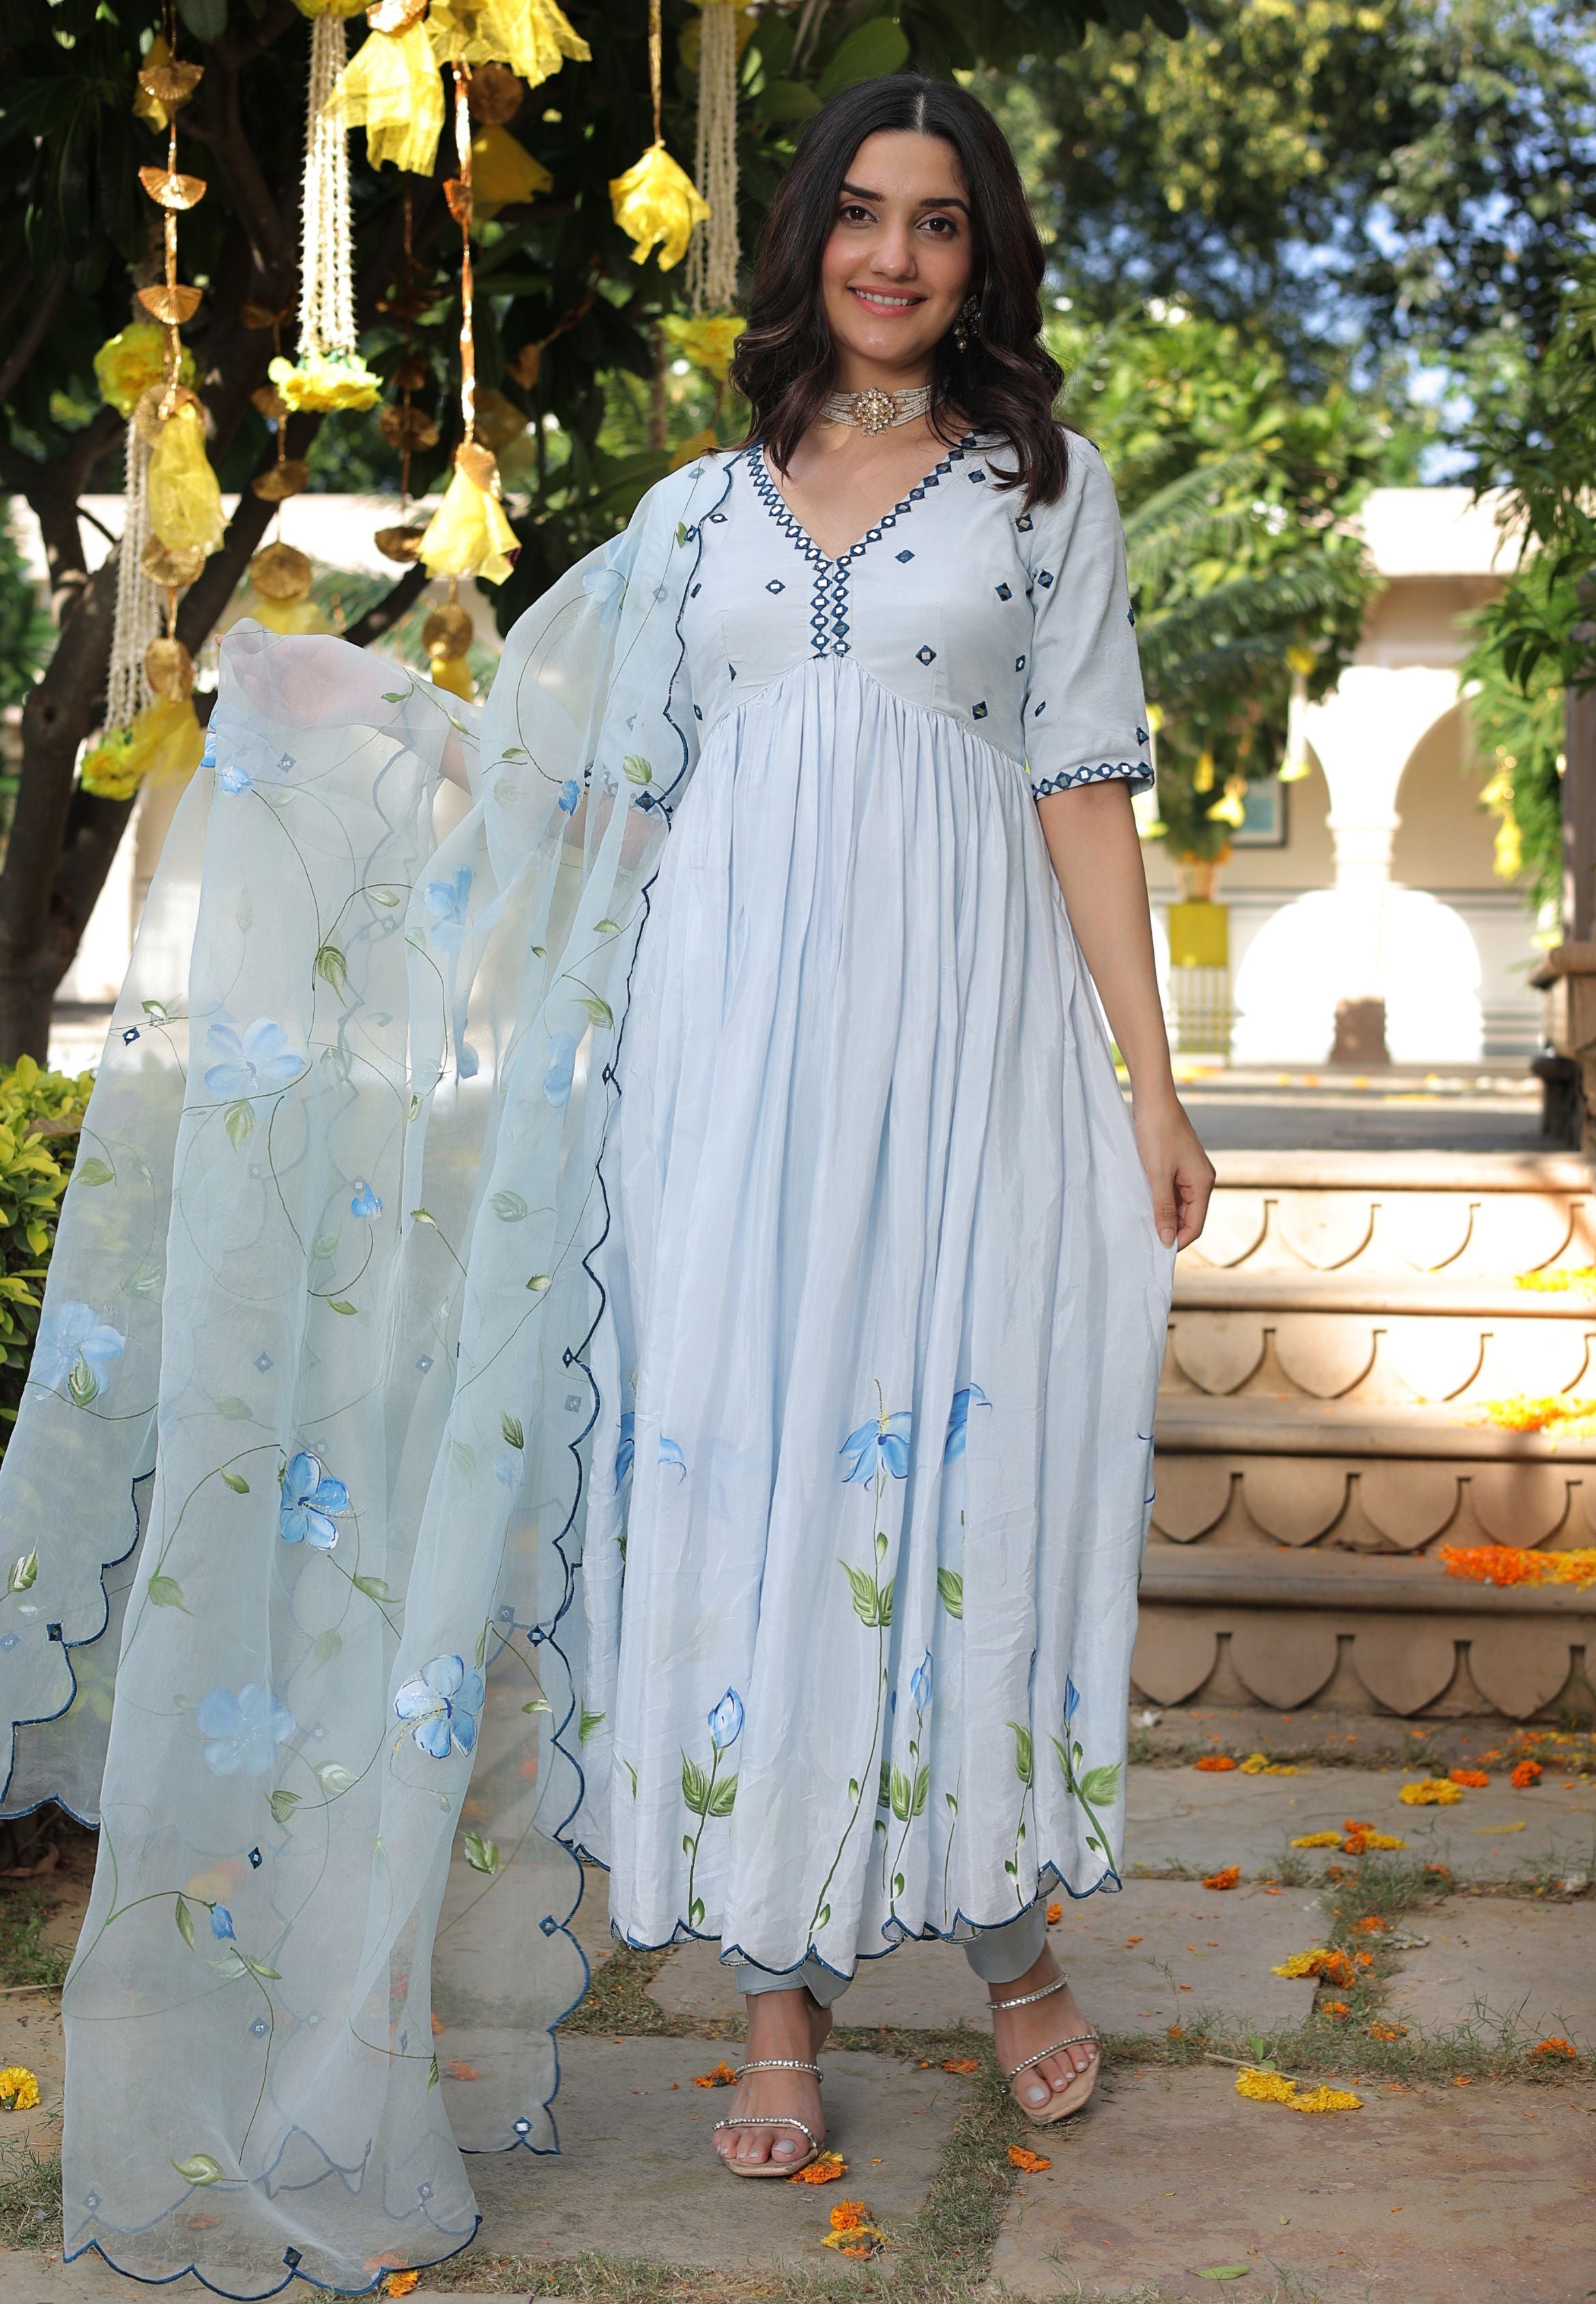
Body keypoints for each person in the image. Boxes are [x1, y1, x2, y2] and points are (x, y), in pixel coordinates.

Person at [0, 70, 1210, 2290]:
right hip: (712, 1087)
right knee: (732, 1490)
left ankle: (1008, 1937)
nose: (896, 255)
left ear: (983, 257)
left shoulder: (1045, 491)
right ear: (809, 240)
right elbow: (595, 802)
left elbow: (1083, 787)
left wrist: (1152, 1083)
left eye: (941, 220)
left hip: (963, 1073)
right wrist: (357, 733)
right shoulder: (693, 519)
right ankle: (773, 2000)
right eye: (863, 213)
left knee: (953, 1485)